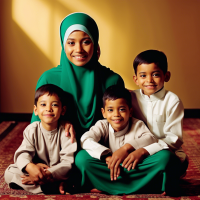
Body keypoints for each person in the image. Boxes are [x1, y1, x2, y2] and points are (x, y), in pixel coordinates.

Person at [30, 12, 124, 147]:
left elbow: (123, 125)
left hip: (100, 148)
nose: (79, 49)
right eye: (71, 42)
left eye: (86, 42)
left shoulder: (112, 80)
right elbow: (36, 126)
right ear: (63, 45)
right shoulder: (48, 79)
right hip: (57, 148)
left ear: (95, 44)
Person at [75, 85, 181, 196]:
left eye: (122, 109)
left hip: (134, 168)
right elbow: (85, 139)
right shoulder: (102, 125)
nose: (116, 114)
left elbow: (150, 138)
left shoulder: (137, 124)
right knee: (81, 157)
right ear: (103, 112)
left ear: (130, 112)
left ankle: (106, 186)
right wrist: (107, 157)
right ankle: (143, 186)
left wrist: (126, 148)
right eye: (110, 110)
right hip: (109, 168)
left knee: (165, 156)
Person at [4, 84, 77, 194]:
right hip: (37, 169)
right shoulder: (32, 129)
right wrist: (30, 167)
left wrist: (48, 173)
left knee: (74, 173)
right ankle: (50, 187)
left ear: (63, 110)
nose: (48, 109)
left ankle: (44, 183)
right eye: (43, 104)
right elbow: (23, 153)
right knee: (9, 172)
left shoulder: (66, 132)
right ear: (36, 110)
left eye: (55, 105)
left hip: (57, 173)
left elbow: (67, 163)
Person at [130, 49, 188, 178]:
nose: (149, 80)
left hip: (164, 150)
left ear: (166, 76)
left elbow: (174, 139)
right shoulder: (131, 97)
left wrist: (146, 151)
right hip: (135, 149)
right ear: (136, 79)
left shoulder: (173, 101)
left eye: (155, 74)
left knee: (170, 160)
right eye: (143, 76)